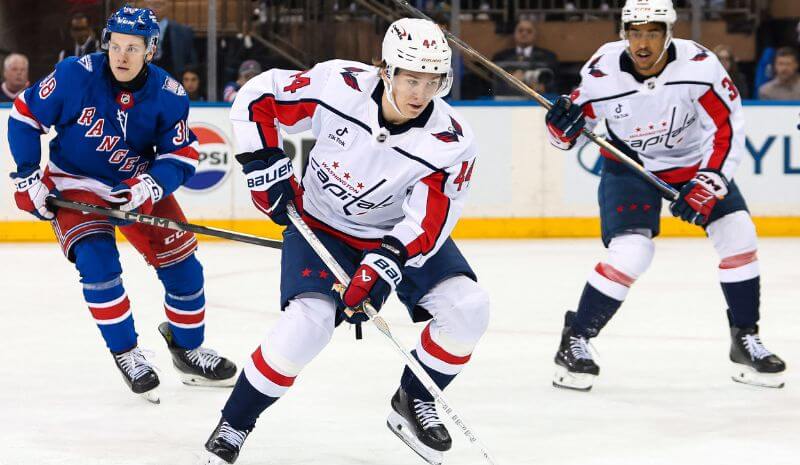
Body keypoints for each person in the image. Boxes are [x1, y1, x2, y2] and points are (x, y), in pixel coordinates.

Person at [199, 17, 490, 465]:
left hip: (395, 234)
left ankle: (413, 399)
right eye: (411, 79)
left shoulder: (451, 140)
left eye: (432, 81)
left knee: (468, 308)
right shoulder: (339, 85)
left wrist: (384, 263)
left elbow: (430, 221)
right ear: (386, 70)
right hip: (320, 224)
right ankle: (234, 423)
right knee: (307, 326)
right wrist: (263, 165)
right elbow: (257, 97)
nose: (420, 93)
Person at [544, 0, 785, 391]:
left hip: (693, 163)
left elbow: (726, 126)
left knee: (739, 234)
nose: (643, 44)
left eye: (652, 33)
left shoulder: (700, 67)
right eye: (635, 33)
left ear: (669, 33)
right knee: (632, 252)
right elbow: (571, 129)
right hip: (631, 165)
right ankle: (576, 340)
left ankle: (745, 338)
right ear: (624, 34)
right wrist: (559, 128)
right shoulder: (602, 71)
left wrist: (709, 182)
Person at [6, 5, 237, 403]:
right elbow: (25, 116)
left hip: (135, 185)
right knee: (98, 264)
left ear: (150, 50)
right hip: (75, 183)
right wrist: (28, 177)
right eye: (115, 46)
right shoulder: (75, 74)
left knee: (184, 267)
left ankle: (188, 350)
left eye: (133, 48)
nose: (122, 56)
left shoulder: (169, 94)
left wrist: (149, 186)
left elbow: (180, 156)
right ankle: (127, 353)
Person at [492, 19, 559, 95]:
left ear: (535, 35)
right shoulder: (500, 57)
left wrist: (544, 87)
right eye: (520, 31)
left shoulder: (549, 57)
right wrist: (509, 80)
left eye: (529, 31)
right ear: (514, 33)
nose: (524, 34)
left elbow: (556, 83)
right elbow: (493, 82)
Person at [144, 0, 197, 77]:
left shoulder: (183, 32)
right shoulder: (134, 31)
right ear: (145, 5)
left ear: (168, 5)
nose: (154, 8)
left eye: (158, 4)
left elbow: (191, 65)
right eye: (151, 4)